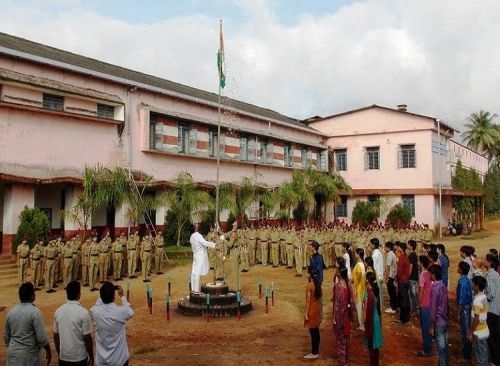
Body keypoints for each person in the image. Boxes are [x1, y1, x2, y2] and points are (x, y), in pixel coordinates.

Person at [3, 282, 52, 365]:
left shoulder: (11, 313)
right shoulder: (35, 312)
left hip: (13, 355)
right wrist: (48, 351)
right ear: (32, 296)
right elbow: (42, 339)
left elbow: (6, 338)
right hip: (29, 356)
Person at [91, 282, 134, 366]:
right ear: (114, 297)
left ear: (101, 296)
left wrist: (103, 292)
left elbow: (95, 306)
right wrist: (122, 296)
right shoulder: (119, 312)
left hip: (101, 360)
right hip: (119, 359)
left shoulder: (95, 312)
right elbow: (130, 311)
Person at [53, 281, 94, 366]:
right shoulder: (83, 312)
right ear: (79, 294)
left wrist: (60, 353)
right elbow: (87, 338)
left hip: (64, 357)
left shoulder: (58, 312)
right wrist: (91, 356)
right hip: (79, 358)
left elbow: (56, 336)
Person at [333, 266, 354, 366]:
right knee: (346, 339)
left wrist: (335, 318)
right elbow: (352, 302)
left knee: (340, 340)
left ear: (340, 274)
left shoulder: (338, 287)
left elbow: (337, 304)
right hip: (347, 316)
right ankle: (346, 360)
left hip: (341, 316)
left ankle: (342, 362)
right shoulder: (348, 284)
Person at [429, 264, 449, 366]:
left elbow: (433, 309)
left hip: (439, 321)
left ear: (433, 275)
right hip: (445, 320)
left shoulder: (434, 289)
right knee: (444, 346)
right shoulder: (443, 286)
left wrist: (432, 325)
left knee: (440, 348)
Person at [468, 275, 490, 366]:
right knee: (484, 355)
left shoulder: (477, 300)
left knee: (480, 358)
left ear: (477, 286)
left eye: (473, 283)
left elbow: (476, 319)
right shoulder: (483, 296)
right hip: (484, 330)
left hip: (479, 332)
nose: (472, 285)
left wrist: (470, 332)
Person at [190, 223, 216, 293]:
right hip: (200, 256)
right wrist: (214, 245)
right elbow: (204, 243)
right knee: (197, 272)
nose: (198, 226)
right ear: (195, 228)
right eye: (197, 226)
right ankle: (197, 290)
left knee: (194, 272)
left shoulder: (192, 236)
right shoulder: (198, 235)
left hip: (195, 255)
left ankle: (193, 288)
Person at [363, 271, 383, 366]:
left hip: (371, 321)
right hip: (377, 319)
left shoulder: (367, 293)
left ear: (367, 281)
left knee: (371, 345)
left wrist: (364, 322)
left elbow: (365, 310)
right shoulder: (376, 291)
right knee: (376, 347)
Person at [456, 261, 473, 363]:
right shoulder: (466, 279)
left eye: (458, 267)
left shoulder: (462, 282)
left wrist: (458, 313)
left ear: (461, 270)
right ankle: (467, 353)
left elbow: (461, 300)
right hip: (468, 308)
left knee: (465, 332)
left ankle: (466, 355)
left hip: (464, 309)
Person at [485, 254, 500, 366]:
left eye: (485, 260)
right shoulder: (495, 274)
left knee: (491, 337)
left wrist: (482, 295)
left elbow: (491, 294)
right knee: (496, 336)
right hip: (497, 309)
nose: (484, 261)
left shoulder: (490, 275)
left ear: (489, 262)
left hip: (492, 310)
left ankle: (495, 361)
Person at [416, 255, 432, 357]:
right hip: (431, 303)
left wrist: (419, 304)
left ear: (421, 263)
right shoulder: (429, 274)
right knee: (429, 326)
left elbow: (421, 292)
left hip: (424, 304)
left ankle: (426, 350)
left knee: (425, 327)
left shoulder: (422, 275)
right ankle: (429, 345)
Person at [304, 267, 322, 359]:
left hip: (311, 310)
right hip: (317, 310)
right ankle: (316, 351)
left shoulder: (309, 286)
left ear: (310, 274)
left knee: (313, 333)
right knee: (316, 331)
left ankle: (314, 353)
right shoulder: (317, 283)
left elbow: (308, 301)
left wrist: (306, 314)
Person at [396, 242, 411, 324]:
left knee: (403, 300)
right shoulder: (405, 256)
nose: (397, 248)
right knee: (405, 299)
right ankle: (404, 318)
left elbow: (399, 271)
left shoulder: (402, 257)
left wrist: (397, 279)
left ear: (401, 249)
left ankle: (404, 319)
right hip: (405, 280)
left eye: (398, 247)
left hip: (402, 280)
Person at [352, 248, 366, 330]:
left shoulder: (359, 265)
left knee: (359, 307)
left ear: (358, 254)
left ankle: (362, 325)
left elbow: (360, 277)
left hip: (359, 288)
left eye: (355, 253)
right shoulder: (361, 264)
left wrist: (354, 282)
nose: (354, 254)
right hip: (360, 287)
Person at [370, 238, 384, 304]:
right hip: (379, 276)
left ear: (373, 245)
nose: (369, 245)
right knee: (379, 294)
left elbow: (374, 267)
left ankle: (378, 311)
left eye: (371, 244)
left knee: (377, 295)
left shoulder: (375, 255)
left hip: (376, 277)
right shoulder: (378, 253)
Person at [384, 242, 397, 314]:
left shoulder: (389, 255)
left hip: (390, 276)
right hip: (392, 275)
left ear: (388, 247)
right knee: (392, 292)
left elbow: (388, 267)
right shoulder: (392, 254)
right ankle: (393, 306)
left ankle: (393, 308)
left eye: (385, 247)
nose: (384, 248)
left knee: (391, 292)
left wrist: (386, 277)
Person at [408, 240, 419, 314]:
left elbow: (410, 267)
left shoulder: (411, 255)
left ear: (411, 246)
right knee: (414, 293)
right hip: (415, 276)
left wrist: (408, 276)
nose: (407, 246)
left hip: (412, 277)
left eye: (408, 244)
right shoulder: (415, 254)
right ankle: (415, 308)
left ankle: (415, 309)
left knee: (413, 294)